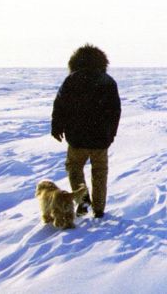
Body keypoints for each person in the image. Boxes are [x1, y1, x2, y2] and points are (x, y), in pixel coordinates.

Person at [51, 44, 121, 219]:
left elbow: (60, 105)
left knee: (74, 168)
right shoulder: (108, 81)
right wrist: (111, 134)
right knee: (100, 172)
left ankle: (82, 200)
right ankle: (99, 209)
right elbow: (115, 111)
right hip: (100, 139)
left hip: (77, 138)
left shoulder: (71, 80)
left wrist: (57, 127)